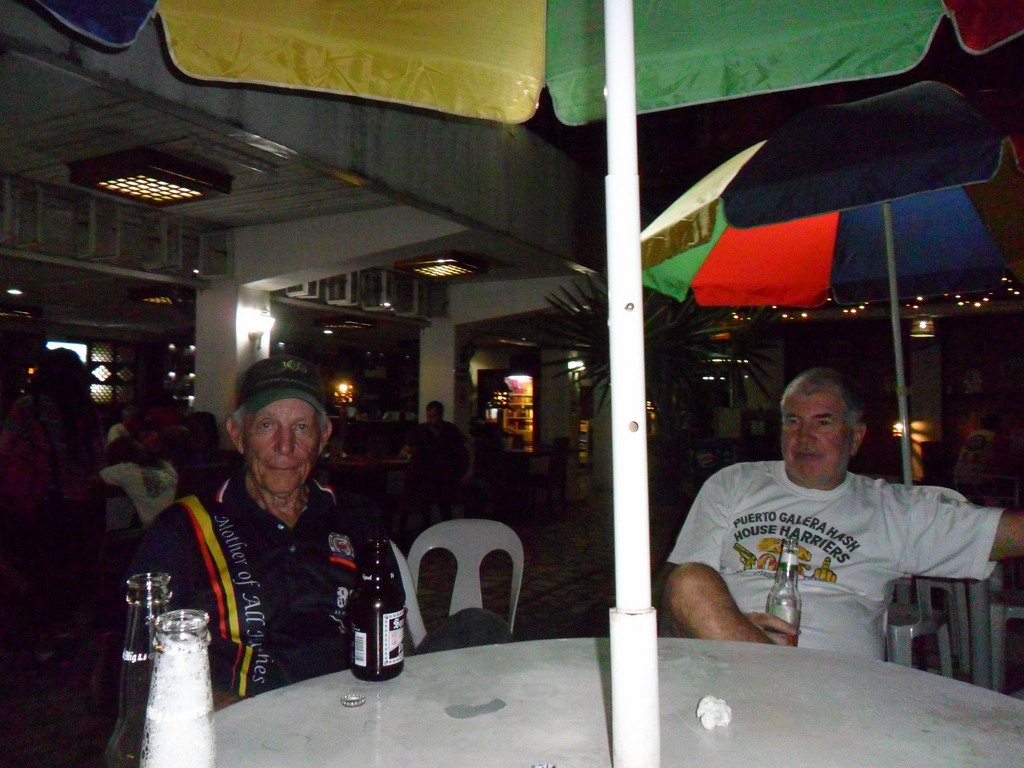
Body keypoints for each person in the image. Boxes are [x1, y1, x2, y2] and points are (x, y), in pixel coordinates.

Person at [129, 356, 508, 703]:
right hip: (252, 719)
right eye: (267, 425)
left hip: (361, 706)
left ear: (323, 437)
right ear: (237, 433)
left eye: (301, 427)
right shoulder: (183, 530)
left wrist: (399, 700)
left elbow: (393, 627)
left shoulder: (356, 515)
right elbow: (149, 665)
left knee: (479, 627)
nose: (285, 446)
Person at [661, 367, 1024, 660]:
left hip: (833, 675)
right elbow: (675, 599)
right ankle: (763, 670)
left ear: (856, 437)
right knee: (689, 579)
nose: (804, 437)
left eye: (823, 422)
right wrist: (735, 630)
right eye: (792, 421)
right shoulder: (734, 483)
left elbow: (1007, 532)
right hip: (731, 659)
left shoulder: (892, 508)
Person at [0, 347, 106, 645]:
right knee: (69, 572)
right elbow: (99, 461)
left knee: (33, 570)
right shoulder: (87, 412)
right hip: (80, 506)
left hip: (37, 503)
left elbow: (6, 449)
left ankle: (37, 635)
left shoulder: (28, 407)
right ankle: (66, 634)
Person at [399, 401, 473, 532]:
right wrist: (407, 454)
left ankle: (445, 532)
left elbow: (468, 446)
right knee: (425, 509)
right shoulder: (421, 430)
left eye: (433, 416)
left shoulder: (449, 429)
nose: (431, 420)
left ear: (440, 415)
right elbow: (405, 448)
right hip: (426, 476)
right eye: (429, 416)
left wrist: (469, 470)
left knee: (445, 508)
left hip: (444, 476)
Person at [101, 432, 178, 527]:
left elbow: (92, 482)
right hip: (181, 522)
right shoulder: (165, 465)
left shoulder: (122, 470)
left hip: (156, 529)